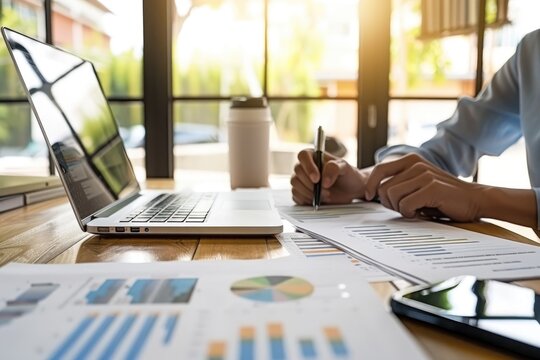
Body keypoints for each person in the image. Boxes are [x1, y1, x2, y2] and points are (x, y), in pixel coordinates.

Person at [291, 29, 540, 232]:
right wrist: (367, 181)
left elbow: (460, 188)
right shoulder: (531, 52)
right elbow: (444, 152)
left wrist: (478, 199)